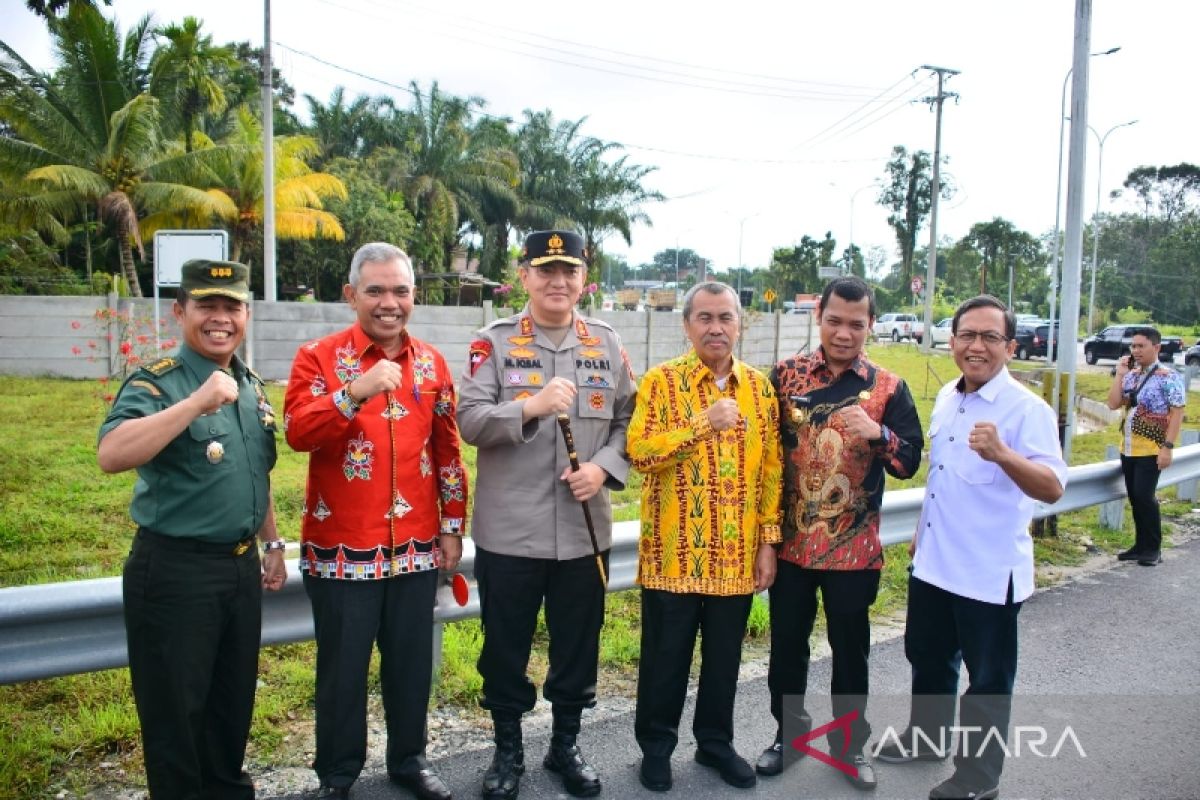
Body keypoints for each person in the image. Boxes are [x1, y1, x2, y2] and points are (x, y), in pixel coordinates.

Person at [97, 259, 286, 800]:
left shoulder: (250, 386)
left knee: (231, 710)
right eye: (207, 305)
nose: (220, 318)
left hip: (239, 568)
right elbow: (112, 454)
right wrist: (195, 403)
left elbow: (255, 472)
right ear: (181, 312)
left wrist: (272, 543)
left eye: (232, 306)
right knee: (176, 721)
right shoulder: (159, 382)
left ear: (246, 314)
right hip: (176, 572)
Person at [284, 243, 467, 800]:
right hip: (341, 546)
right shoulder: (317, 357)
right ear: (351, 296)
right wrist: (352, 392)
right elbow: (297, 433)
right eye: (376, 291)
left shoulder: (433, 363)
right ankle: (337, 776)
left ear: (414, 295)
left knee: (411, 666)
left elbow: (448, 451)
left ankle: (409, 761)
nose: (389, 303)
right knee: (342, 672)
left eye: (400, 291)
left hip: (415, 545)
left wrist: (453, 525)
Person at [457, 230, 636, 799]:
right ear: (524, 276)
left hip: (584, 534)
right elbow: (468, 421)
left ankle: (565, 745)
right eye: (545, 270)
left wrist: (604, 469)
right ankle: (507, 751)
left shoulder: (605, 343)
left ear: (585, 278)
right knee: (505, 648)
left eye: (569, 271)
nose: (558, 282)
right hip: (511, 532)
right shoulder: (495, 342)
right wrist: (529, 407)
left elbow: (631, 421)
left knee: (578, 645)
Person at [875, 295, 1066, 800]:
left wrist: (1003, 454)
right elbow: (940, 479)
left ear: (1009, 346)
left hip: (987, 571)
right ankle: (927, 737)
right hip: (935, 561)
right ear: (952, 340)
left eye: (989, 337)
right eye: (967, 335)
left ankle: (979, 780)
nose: (976, 346)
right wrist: (922, 530)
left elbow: (1052, 487)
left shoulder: (1026, 410)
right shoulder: (947, 397)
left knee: (987, 678)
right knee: (928, 655)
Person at [760, 276, 923, 791]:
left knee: (851, 652)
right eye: (835, 321)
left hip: (854, 550)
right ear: (819, 318)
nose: (844, 333)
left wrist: (881, 435)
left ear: (871, 324)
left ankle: (850, 747)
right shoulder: (784, 377)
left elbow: (910, 462)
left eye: (856, 324)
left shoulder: (888, 388)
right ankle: (789, 735)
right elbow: (764, 456)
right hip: (789, 548)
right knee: (786, 647)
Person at [627, 281, 782, 793]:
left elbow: (771, 473)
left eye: (726, 318)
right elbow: (641, 454)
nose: (716, 328)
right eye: (705, 318)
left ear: (740, 324)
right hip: (673, 557)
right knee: (664, 660)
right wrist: (701, 423)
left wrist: (767, 542)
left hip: (736, 559)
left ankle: (715, 743)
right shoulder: (661, 382)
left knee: (724, 662)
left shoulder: (760, 389)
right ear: (687, 325)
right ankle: (655, 748)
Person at [1104, 326, 1184, 567]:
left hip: (1152, 447)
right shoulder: (1131, 375)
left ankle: (1153, 549)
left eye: (1141, 346)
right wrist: (1119, 374)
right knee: (1135, 497)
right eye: (1133, 346)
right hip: (1128, 446)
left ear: (1156, 347)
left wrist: (1167, 447)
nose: (1136, 350)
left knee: (1144, 496)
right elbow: (1113, 403)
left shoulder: (1168, 376)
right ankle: (1140, 546)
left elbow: (1177, 412)